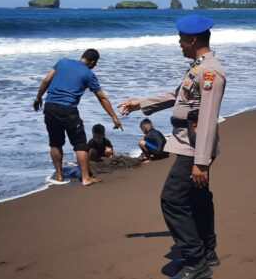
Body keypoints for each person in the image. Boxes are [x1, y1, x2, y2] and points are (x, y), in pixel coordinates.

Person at [118, 15, 226, 279]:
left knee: (172, 199)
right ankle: (207, 252)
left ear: (192, 40)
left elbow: (208, 118)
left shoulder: (210, 72)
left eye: (181, 40)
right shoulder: (198, 67)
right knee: (198, 199)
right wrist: (141, 103)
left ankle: (195, 261)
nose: (179, 44)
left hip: (194, 147)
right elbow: (178, 96)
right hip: (190, 144)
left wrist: (201, 162)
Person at [34, 49, 122, 186]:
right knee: (80, 144)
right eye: (95, 64)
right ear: (92, 62)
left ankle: (59, 176)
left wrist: (38, 97)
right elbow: (102, 97)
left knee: (55, 143)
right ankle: (86, 178)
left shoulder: (62, 62)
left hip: (50, 106)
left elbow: (46, 80)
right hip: (68, 109)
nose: (95, 66)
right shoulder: (89, 74)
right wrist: (114, 117)